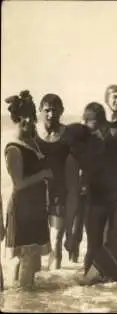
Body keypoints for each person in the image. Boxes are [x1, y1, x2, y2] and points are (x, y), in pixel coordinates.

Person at [79, 102, 117, 273]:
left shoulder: (116, 135)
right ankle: (88, 282)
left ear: (97, 121)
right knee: (93, 243)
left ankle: (113, 280)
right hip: (95, 197)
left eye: (87, 121)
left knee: (113, 241)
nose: (85, 125)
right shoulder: (87, 139)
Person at [4, 90, 52, 289]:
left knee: (30, 261)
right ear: (16, 119)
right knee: (26, 258)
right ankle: (24, 302)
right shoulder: (14, 148)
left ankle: (20, 299)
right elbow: (18, 184)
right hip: (23, 209)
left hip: (35, 207)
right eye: (23, 119)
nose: (29, 123)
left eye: (31, 118)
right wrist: (43, 175)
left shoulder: (31, 140)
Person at [35, 93, 74, 270]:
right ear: (40, 110)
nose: (51, 114)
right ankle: (36, 281)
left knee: (57, 236)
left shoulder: (67, 134)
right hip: (35, 191)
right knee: (35, 239)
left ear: (62, 111)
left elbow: (80, 159)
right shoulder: (33, 132)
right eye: (47, 110)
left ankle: (54, 278)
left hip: (59, 190)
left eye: (55, 110)